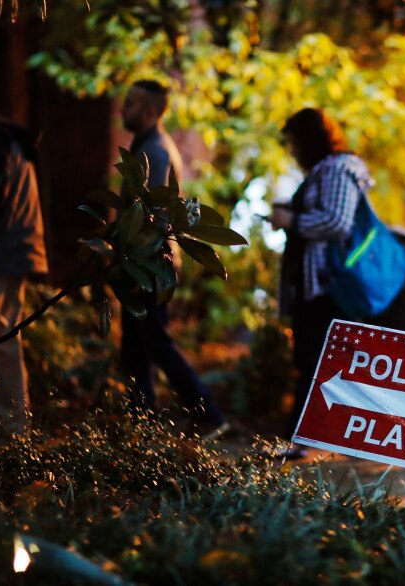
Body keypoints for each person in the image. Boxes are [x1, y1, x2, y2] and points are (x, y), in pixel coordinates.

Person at [119, 80, 227, 438]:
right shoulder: (146, 145)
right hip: (141, 262)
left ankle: (208, 413)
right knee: (137, 347)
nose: (124, 108)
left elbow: (151, 217)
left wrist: (134, 260)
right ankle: (141, 424)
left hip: (151, 263)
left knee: (154, 342)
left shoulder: (156, 151)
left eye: (131, 103)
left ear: (151, 111)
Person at [272, 107, 372, 458]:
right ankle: (317, 439)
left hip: (327, 284)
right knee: (315, 359)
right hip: (313, 283)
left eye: (294, 142)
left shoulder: (336, 169)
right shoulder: (322, 171)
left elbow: (337, 221)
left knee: (317, 360)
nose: (292, 150)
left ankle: (303, 440)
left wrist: (292, 220)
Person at [0, 117, 48, 439]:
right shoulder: (8, 140)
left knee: (2, 339)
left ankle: (10, 430)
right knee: (5, 338)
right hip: (16, 251)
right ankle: (13, 429)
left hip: (2, 254)